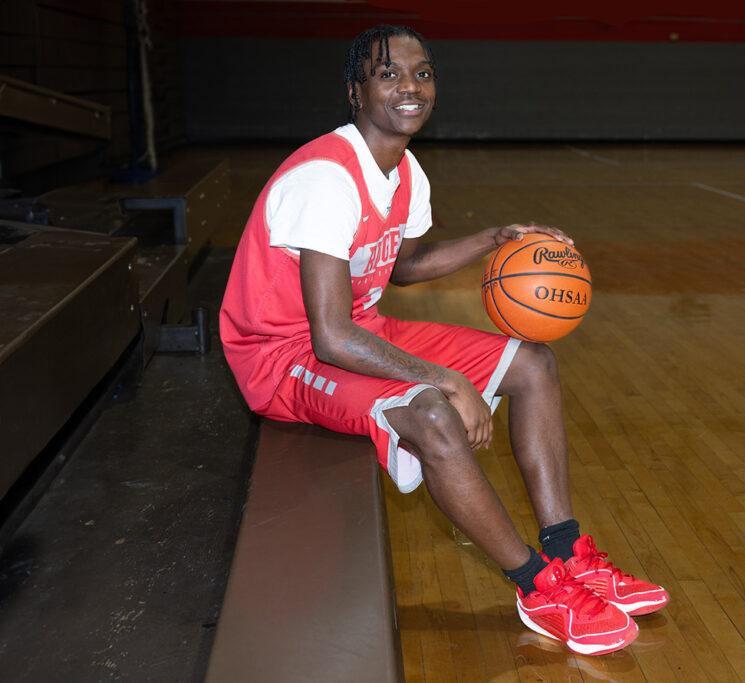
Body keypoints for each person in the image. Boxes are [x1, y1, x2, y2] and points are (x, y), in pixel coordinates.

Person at [219, 24, 667, 656]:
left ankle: (568, 553)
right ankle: (537, 587)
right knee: (434, 413)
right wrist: (446, 379)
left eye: (422, 73)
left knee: (533, 363)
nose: (410, 87)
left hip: (360, 326)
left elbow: (399, 264)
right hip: (282, 356)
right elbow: (329, 336)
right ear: (356, 91)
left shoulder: (403, 171)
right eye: (388, 74)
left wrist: (493, 238)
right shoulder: (326, 179)